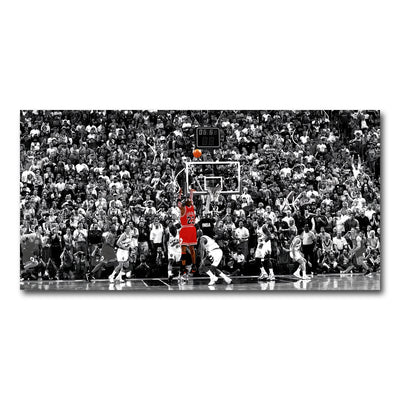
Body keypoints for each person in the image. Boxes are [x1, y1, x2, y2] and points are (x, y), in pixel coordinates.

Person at [178, 188, 197, 277]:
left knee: (185, 249)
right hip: (190, 229)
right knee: (189, 249)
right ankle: (191, 265)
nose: (190, 200)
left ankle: (185, 267)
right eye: (188, 200)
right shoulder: (188, 207)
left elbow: (179, 203)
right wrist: (190, 193)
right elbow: (190, 200)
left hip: (186, 229)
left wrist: (180, 194)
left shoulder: (186, 208)